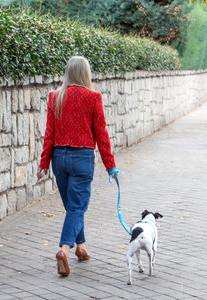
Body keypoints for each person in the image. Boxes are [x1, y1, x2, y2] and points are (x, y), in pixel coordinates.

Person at [37, 56, 119, 277]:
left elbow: (49, 135)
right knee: (76, 207)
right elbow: (101, 135)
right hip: (82, 158)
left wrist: (43, 164)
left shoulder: (56, 97)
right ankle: (64, 249)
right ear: (86, 74)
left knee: (73, 206)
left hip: (59, 159)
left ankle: (81, 247)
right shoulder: (93, 97)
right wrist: (111, 166)